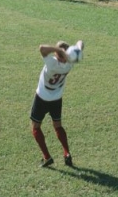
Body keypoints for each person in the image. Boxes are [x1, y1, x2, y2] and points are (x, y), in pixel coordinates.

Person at [30, 40, 84, 168]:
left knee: (35, 127)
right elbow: (80, 42)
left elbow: (41, 47)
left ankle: (47, 157)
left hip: (42, 98)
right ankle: (67, 153)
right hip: (57, 98)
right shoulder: (70, 63)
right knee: (58, 126)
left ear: (57, 54)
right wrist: (77, 50)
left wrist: (58, 50)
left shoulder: (52, 63)